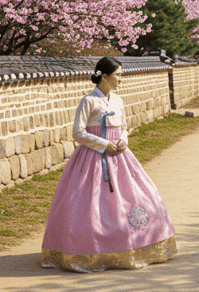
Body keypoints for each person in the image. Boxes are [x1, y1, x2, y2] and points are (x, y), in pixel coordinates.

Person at [41, 56, 177, 272]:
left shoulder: (118, 100)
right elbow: (78, 132)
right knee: (88, 202)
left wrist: (123, 140)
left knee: (136, 197)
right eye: (118, 75)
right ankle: (89, 250)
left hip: (119, 156)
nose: (120, 79)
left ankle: (133, 245)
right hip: (92, 159)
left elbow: (123, 125)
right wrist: (103, 144)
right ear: (104, 76)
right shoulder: (88, 101)